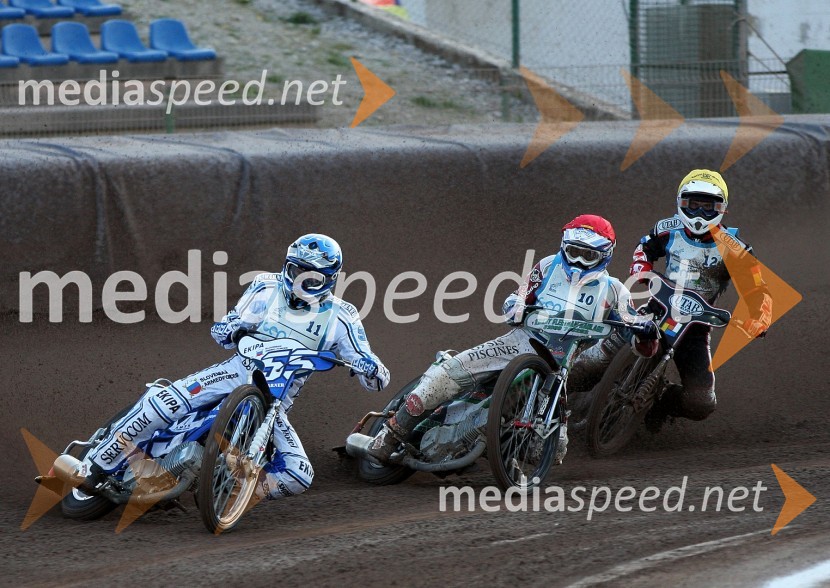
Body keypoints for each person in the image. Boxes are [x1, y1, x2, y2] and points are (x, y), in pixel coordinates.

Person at [76, 233, 390, 500]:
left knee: (298, 475)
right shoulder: (265, 287)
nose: (299, 281)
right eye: (295, 270)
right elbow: (222, 330)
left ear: (330, 280)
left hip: (274, 402)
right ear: (287, 266)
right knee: (165, 401)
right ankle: (93, 465)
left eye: (312, 277)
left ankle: (227, 489)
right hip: (234, 372)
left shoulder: (342, 316)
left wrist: (370, 366)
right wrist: (234, 327)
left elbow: (378, 379)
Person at [366, 214, 657, 464]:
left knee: (552, 451)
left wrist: (646, 332)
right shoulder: (546, 267)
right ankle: (390, 435)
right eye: (573, 251)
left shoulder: (616, 291)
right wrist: (516, 307)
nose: (579, 261)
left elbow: (635, 329)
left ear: (606, 254)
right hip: (519, 342)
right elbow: (516, 298)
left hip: (561, 364)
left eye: (588, 255)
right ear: (564, 246)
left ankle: (495, 448)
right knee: (445, 376)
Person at [568, 169, 773, 429]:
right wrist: (640, 267)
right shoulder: (668, 228)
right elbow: (644, 247)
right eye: (693, 204)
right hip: (655, 310)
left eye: (708, 206)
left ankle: (661, 402)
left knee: (702, 402)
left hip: (696, 327)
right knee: (594, 361)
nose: (699, 213)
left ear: (722, 208)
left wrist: (759, 318)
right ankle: (551, 398)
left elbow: (758, 289)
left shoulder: (735, 248)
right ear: (681, 202)